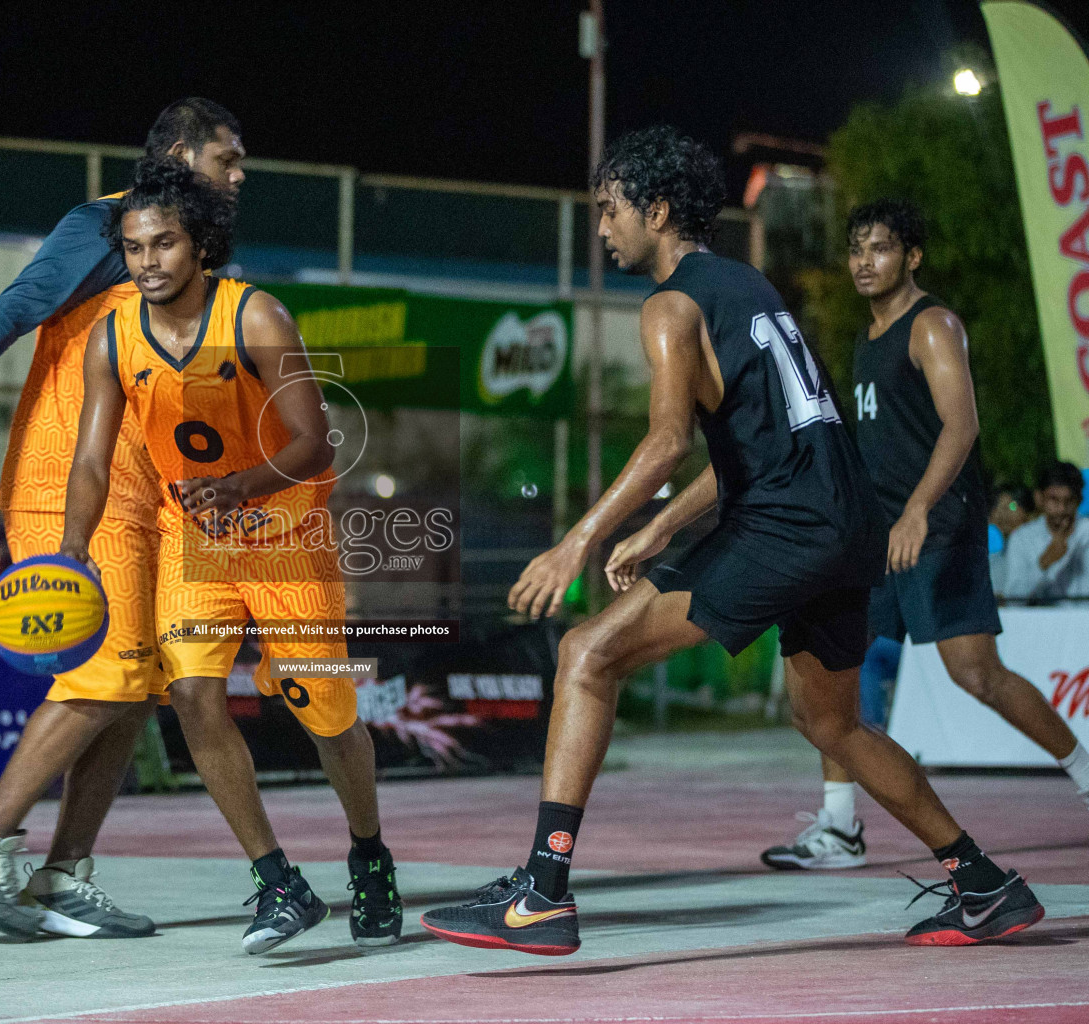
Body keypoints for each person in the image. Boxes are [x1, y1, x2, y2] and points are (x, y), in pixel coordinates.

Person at [420, 127, 1043, 955]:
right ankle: (983, 882)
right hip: (842, 525)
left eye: (609, 212)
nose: (601, 230)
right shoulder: (748, 288)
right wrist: (663, 524)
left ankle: (541, 888)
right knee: (833, 726)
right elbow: (753, 445)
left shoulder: (669, 307)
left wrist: (576, 541)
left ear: (659, 209)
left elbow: (666, 442)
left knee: (586, 653)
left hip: (786, 528)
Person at [0, 99, 248, 941]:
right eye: (227, 159)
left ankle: (62, 875)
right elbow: (11, 310)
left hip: (144, 493)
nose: (239, 176)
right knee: (107, 674)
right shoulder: (103, 230)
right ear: (179, 154)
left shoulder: (195, 262)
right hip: (68, 487)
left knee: (136, 688)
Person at [60, 157, 402, 953]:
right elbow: (89, 460)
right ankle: (277, 881)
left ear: (201, 245)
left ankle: (369, 852)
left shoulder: (256, 318)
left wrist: (241, 486)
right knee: (192, 696)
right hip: (196, 542)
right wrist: (72, 551)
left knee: (328, 719)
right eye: (136, 247)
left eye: (165, 244)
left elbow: (318, 441)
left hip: (285, 537)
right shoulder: (112, 337)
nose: (148, 261)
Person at [760, 201, 1089, 871]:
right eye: (856, 249)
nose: (863, 261)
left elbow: (961, 427)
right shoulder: (867, 338)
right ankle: (839, 825)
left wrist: (915, 510)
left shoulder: (931, 326)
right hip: (878, 537)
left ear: (912, 257)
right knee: (832, 668)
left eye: (879, 248)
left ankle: (1085, 770)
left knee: (978, 675)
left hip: (938, 527)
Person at [998, 461, 1089, 601]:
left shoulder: (1086, 533)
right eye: (1054, 500)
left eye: (1068, 501)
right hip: (1041, 621)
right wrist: (1044, 562)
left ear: (1079, 500)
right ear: (1039, 498)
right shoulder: (1023, 538)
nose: (1061, 509)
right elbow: (1013, 599)